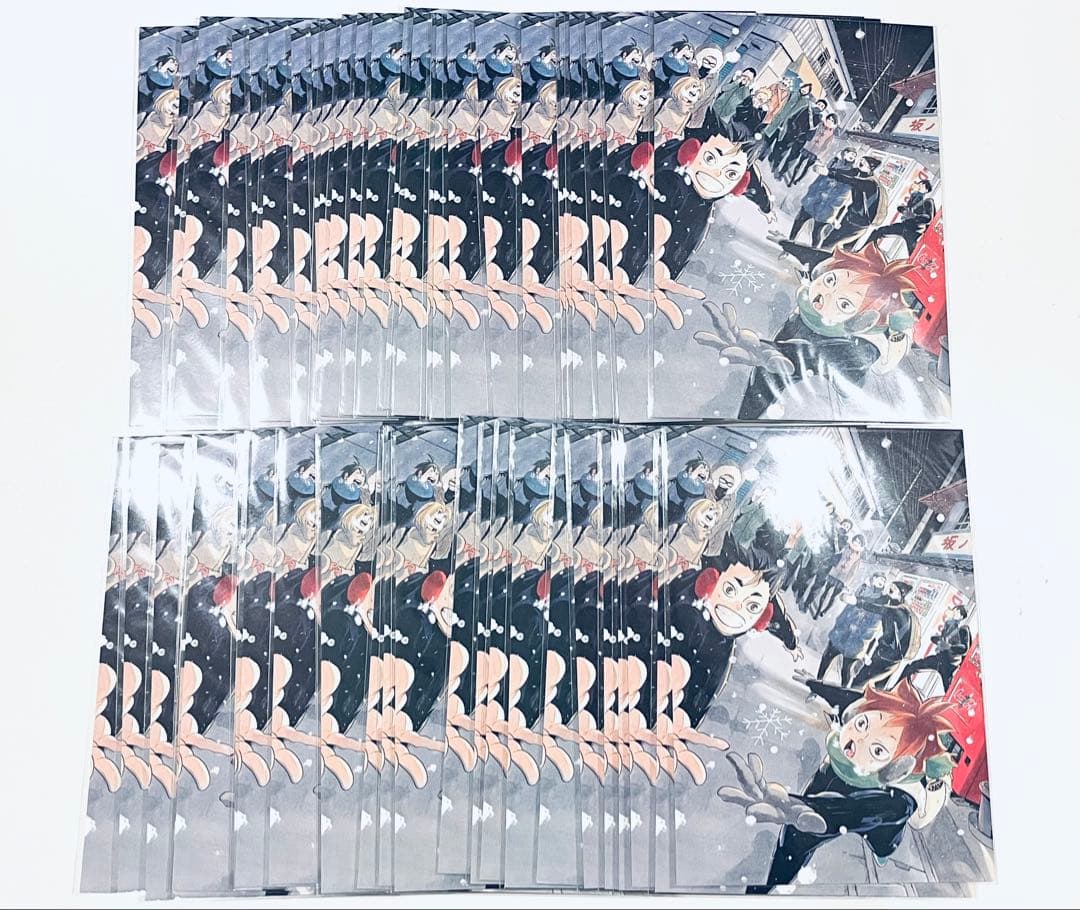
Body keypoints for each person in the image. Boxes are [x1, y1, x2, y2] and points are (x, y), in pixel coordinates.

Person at [722, 681, 957, 893]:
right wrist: (814, 684)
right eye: (862, 723)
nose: (857, 741)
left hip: (882, 827)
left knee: (881, 843)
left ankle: (881, 851)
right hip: (846, 781)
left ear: (896, 766)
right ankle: (763, 890)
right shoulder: (850, 740)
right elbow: (845, 697)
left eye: (878, 750)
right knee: (798, 835)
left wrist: (810, 811)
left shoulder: (898, 802)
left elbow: (853, 811)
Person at [815, 569, 884, 686]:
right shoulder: (862, 590)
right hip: (841, 633)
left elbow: (874, 626)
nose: (881, 582)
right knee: (827, 657)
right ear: (873, 579)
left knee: (846, 669)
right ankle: (818, 681)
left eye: (883, 581)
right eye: (879, 579)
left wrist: (859, 632)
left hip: (856, 642)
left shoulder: (880, 602)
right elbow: (846, 610)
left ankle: (843, 691)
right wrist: (843, 624)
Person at [787, 146, 858, 248]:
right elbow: (819, 179)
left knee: (816, 233)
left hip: (827, 207)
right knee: (798, 223)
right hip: (813, 200)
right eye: (851, 153)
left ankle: (813, 253)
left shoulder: (851, 172)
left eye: (854, 155)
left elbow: (844, 194)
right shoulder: (834, 162)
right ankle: (789, 244)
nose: (853, 156)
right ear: (845, 153)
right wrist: (812, 193)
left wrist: (832, 204)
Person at [851, 581, 918, 687]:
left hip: (885, 656)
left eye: (894, 588)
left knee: (860, 682)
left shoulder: (897, 611)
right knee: (876, 687)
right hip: (893, 659)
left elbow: (880, 609)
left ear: (901, 594)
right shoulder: (906, 611)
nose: (890, 588)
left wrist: (857, 602)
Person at [896, 601, 970, 691]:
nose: (954, 613)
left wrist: (949, 647)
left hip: (949, 664)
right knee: (912, 667)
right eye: (954, 611)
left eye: (957, 612)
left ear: (961, 616)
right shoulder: (950, 624)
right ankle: (896, 689)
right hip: (940, 658)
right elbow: (943, 641)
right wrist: (937, 639)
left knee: (949, 689)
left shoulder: (963, 630)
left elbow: (964, 649)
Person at [858, 178, 936, 255]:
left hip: (914, 232)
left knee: (914, 254)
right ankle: (863, 252)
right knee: (878, 232)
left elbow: (928, 218)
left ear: (926, 190)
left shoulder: (928, 201)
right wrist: (903, 209)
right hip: (904, 226)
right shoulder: (914, 196)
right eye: (920, 183)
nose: (920, 185)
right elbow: (908, 210)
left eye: (923, 185)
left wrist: (913, 216)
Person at [824, 155, 885, 250]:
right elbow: (845, 173)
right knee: (833, 242)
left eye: (864, 162)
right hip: (851, 217)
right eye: (861, 160)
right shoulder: (859, 173)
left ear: (870, 168)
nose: (861, 162)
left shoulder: (870, 183)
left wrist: (829, 173)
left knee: (831, 244)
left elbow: (852, 181)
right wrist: (830, 169)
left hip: (859, 224)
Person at [778, 99, 828, 183]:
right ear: (816, 104)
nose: (820, 106)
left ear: (823, 109)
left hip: (801, 140)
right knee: (782, 151)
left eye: (822, 106)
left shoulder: (819, 120)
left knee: (792, 158)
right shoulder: (806, 109)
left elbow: (813, 133)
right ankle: (776, 165)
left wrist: (804, 137)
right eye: (819, 104)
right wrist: (791, 129)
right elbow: (793, 118)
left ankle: (782, 172)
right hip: (792, 134)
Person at [785, 111, 837, 186]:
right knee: (799, 163)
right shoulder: (819, 124)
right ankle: (792, 180)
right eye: (829, 118)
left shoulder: (831, 134)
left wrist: (820, 155)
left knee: (807, 167)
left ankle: (798, 180)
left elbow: (826, 146)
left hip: (816, 152)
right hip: (808, 147)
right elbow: (811, 131)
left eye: (832, 120)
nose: (830, 121)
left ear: (834, 123)